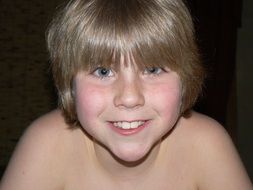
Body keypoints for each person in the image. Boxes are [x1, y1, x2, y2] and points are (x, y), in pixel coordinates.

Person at [0, 0, 252, 189]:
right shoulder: (45, 144)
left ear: (186, 78)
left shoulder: (208, 145)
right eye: (102, 71)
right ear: (69, 84)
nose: (130, 97)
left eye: (153, 69)